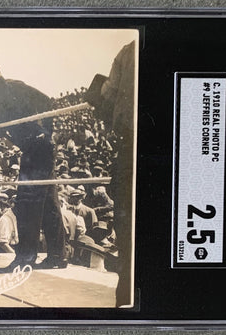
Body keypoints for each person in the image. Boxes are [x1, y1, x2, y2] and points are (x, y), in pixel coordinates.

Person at [0, 62, 66, 271]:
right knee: (49, 203)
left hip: (38, 148)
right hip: (33, 149)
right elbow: (3, 130)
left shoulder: (13, 87)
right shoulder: (0, 96)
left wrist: (48, 133)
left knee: (27, 202)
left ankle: (26, 257)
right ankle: (58, 256)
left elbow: (46, 100)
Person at [85, 40, 136, 307]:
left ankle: (127, 304)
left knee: (129, 233)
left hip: (132, 147)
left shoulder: (129, 51)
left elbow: (108, 92)